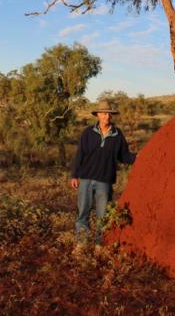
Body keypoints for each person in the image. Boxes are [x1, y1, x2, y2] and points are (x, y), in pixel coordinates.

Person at [71, 100, 136, 244]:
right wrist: (74, 175)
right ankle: (82, 245)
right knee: (83, 214)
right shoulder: (88, 132)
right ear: (98, 115)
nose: (107, 116)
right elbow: (80, 154)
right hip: (86, 179)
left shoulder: (117, 134)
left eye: (109, 114)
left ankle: (100, 245)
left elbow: (124, 155)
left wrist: (139, 158)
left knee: (103, 217)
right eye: (104, 113)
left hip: (104, 181)